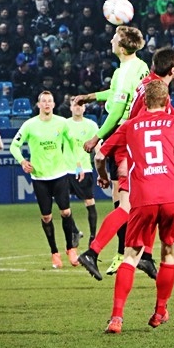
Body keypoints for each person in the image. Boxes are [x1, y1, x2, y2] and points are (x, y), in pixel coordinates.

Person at [94, 79, 174, 333]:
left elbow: (100, 154)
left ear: (143, 101)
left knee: (131, 256)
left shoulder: (131, 125)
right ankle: (159, 311)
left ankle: (117, 318)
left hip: (143, 196)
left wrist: (102, 175)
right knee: (169, 254)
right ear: (167, 101)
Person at [71, 26, 150, 277]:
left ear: (123, 46)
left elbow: (116, 111)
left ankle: (100, 252)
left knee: (126, 202)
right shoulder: (137, 66)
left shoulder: (125, 72)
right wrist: (92, 96)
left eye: (114, 38)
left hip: (124, 135)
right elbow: (117, 95)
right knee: (126, 198)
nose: (110, 40)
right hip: (137, 134)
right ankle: (135, 254)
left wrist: (97, 138)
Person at [10, 90, 83, 268]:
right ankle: (54, 253)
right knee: (46, 217)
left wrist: (78, 163)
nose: (47, 104)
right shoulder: (29, 125)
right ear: (39, 104)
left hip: (59, 175)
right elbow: (14, 145)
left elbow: (73, 143)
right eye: (44, 101)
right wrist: (22, 161)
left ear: (54, 104)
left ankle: (70, 249)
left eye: (50, 101)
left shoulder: (62, 123)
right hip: (40, 177)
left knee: (66, 212)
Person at [66, 100, 100, 245]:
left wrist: (100, 163)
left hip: (84, 169)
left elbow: (98, 146)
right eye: (75, 105)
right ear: (70, 108)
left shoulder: (91, 125)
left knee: (89, 201)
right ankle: (74, 231)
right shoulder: (64, 124)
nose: (78, 107)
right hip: (66, 169)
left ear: (85, 108)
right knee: (63, 205)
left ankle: (93, 237)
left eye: (81, 105)